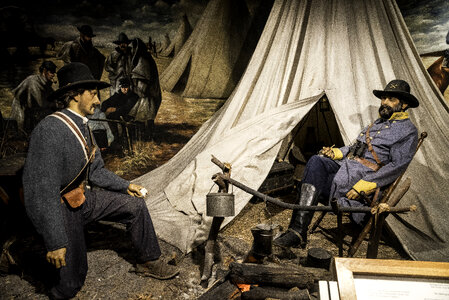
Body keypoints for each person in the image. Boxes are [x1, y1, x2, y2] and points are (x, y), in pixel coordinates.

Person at [22, 62, 178, 299]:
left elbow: (97, 172)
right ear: (74, 95)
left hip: (82, 198)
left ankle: (149, 262)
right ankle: (15, 254)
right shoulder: (50, 131)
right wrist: (55, 241)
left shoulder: (84, 127)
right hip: (61, 206)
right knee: (72, 281)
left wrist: (127, 186)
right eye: (93, 94)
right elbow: (41, 192)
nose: (98, 100)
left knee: (134, 206)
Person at [274, 79, 419, 249]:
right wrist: (337, 152)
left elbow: (397, 166)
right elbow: (355, 147)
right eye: (384, 98)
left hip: (360, 185)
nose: (385, 103)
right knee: (316, 161)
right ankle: (297, 232)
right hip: (345, 171)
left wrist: (369, 183)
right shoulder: (376, 124)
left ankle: (297, 233)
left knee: (314, 175)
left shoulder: (408, 132)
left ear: (404, 104)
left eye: (391, 99)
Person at [127, 38, 162, 141]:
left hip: (145, 95)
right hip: (146, 94)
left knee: (143, 116)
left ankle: (145, 137)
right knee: (144, 116)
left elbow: (143, 81)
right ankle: (145, 137)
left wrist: (138, 91)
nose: (131, 51)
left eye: (133, 48)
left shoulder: (143, 60)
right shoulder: (145, 58)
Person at [10, 61, 57, 133]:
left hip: (31, 110)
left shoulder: (45, 83)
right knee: (22, 132)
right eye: (52, 72)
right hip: (21, 109)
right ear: (44, 71)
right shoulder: (33, 82)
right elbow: (40, 103)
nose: (53, 75)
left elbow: (52, 95)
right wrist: (54, 104)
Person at [101, 77, 139, 151]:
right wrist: (105, 109)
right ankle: (116, 139)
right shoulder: (118, 94)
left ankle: (125, 144)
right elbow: (106, 102)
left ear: (129, 87)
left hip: (129, 115)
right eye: (123, 87)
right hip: (119, 114)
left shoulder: (133, 96)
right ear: (120, 87)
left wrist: (114, 109)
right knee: (110, 117)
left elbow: (126, 108)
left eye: (126, 87)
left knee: (123, 124)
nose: (125, 89)